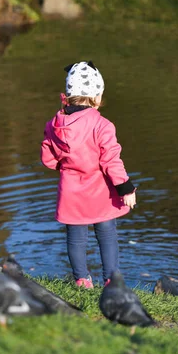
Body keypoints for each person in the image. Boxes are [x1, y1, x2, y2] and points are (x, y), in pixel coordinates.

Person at [41, 61, 137, 288]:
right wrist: (125, 187)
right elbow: (110, 160)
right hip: (100, 191)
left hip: (71, 192)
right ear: (96, 97)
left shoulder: (54, 124)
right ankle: (111, 280)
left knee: (75, 238)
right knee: (107, 234)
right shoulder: (102, 125)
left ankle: (82, 280)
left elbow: (47, 158)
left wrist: (65, 167)